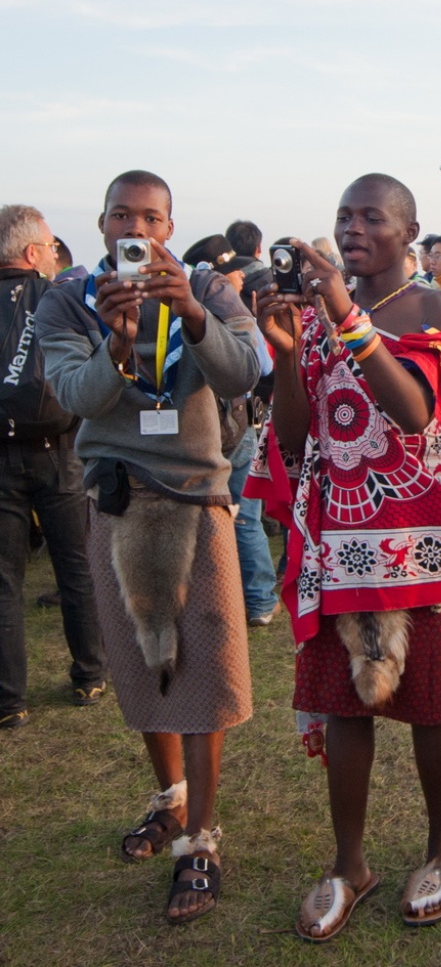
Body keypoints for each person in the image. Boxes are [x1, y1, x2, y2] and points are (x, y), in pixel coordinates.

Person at [249, 174, 441, 942]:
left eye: (372, 216)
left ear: (409, 232)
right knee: (345, 704)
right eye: (344, 215)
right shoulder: (314, 320)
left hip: (422, 539)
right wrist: (284, 355)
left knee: (430, 707)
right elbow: (294, 436)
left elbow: (413, 411)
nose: (352, 227)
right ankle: (350, 864)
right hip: (334, 539)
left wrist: (341, 312)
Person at [35, 170, 261, 922]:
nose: (138, 228)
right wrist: (121, 347)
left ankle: (201, 839)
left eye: (152, 217)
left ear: (169, 226)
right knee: (142, 665)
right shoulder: (69, 297)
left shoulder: (208, 288)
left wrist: (193, 313)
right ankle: (171, 800)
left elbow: (243, 373)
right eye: (123, 215)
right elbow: (75, 398)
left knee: (207, 667)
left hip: (199, 498)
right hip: (118, 497)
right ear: (102, 223)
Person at [0, 205, 107, 729]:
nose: (52, 254)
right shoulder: (58, 299)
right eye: (47, 246)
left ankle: (9, 700)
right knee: (75, 565)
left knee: (4, 581)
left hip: (1, 455)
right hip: (59, 450)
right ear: (31, 253)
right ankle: (90, 673)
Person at [181, 235, 279, 626]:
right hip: (237, 422)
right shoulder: (225, 303)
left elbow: (261, 366)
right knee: (242, 518)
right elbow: (264, 367)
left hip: (213, 426)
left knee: (224, 519)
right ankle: (256, 601)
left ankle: (246, 600)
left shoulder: (189, 305)